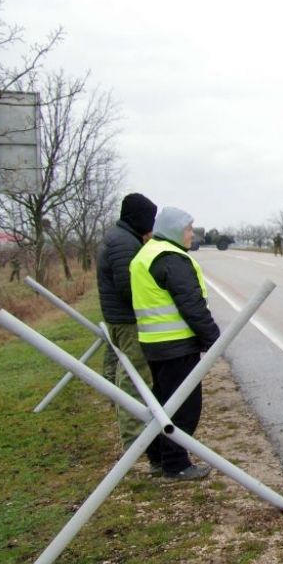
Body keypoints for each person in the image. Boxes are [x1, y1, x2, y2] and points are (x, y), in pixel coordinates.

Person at [130, 206, 220, 481]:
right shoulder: (171, 259)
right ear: (173, 230)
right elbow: (191, 305)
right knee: (184, 408)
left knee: (163, 404)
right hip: (176, 345)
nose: (192, 234)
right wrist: (213, 339)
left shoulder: (147, 254)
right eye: (188, 229)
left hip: (154, 342)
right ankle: (176, 464)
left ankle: (158, 457)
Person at [96, 193, 158, 455]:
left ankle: (132, 430)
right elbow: (128, 288)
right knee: (135, 379)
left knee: (122, 373)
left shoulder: (120, 237)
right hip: (127, 321)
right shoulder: (125, 244)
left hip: (117, 318)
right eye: (149, 219)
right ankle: (136, 441)